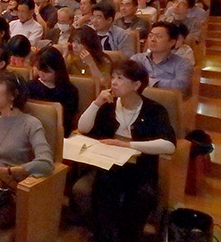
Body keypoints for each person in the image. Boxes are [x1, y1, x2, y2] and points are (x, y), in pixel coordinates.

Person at [75, 59, 176, 242]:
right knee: (102, 190)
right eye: (113, 77)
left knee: (142, 196)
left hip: (140, 169)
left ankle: (127, 237)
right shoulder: (108, 105)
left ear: (136, 84)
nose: (113, 82)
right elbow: (83, 128)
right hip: (108, 165)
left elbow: (169, 145)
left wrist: (129, 145)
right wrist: (96, 103)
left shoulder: (154, 110)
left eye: (120, 78)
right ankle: (104, 236)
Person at [0, 71, 53, 230]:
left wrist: (8, 171)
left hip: (12, 191)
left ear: (13, 95)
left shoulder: (31, 124)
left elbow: (45, 164)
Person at [27, 46, 78, 137]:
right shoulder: (30, 87)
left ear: (57, 70)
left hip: (59, 135)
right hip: (32, 132)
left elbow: (67, 122)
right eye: (39, 70)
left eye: (47, 72)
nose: (42, 74)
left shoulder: (69, 91)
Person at [131, 22, 192, 96]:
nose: (152, 39)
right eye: (150, 36)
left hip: (166, 103)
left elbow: (180, 86)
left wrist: (151, 82)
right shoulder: (137, 59)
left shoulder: (183, 63)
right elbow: (129, 80)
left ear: (172, 42)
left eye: (158, 36)